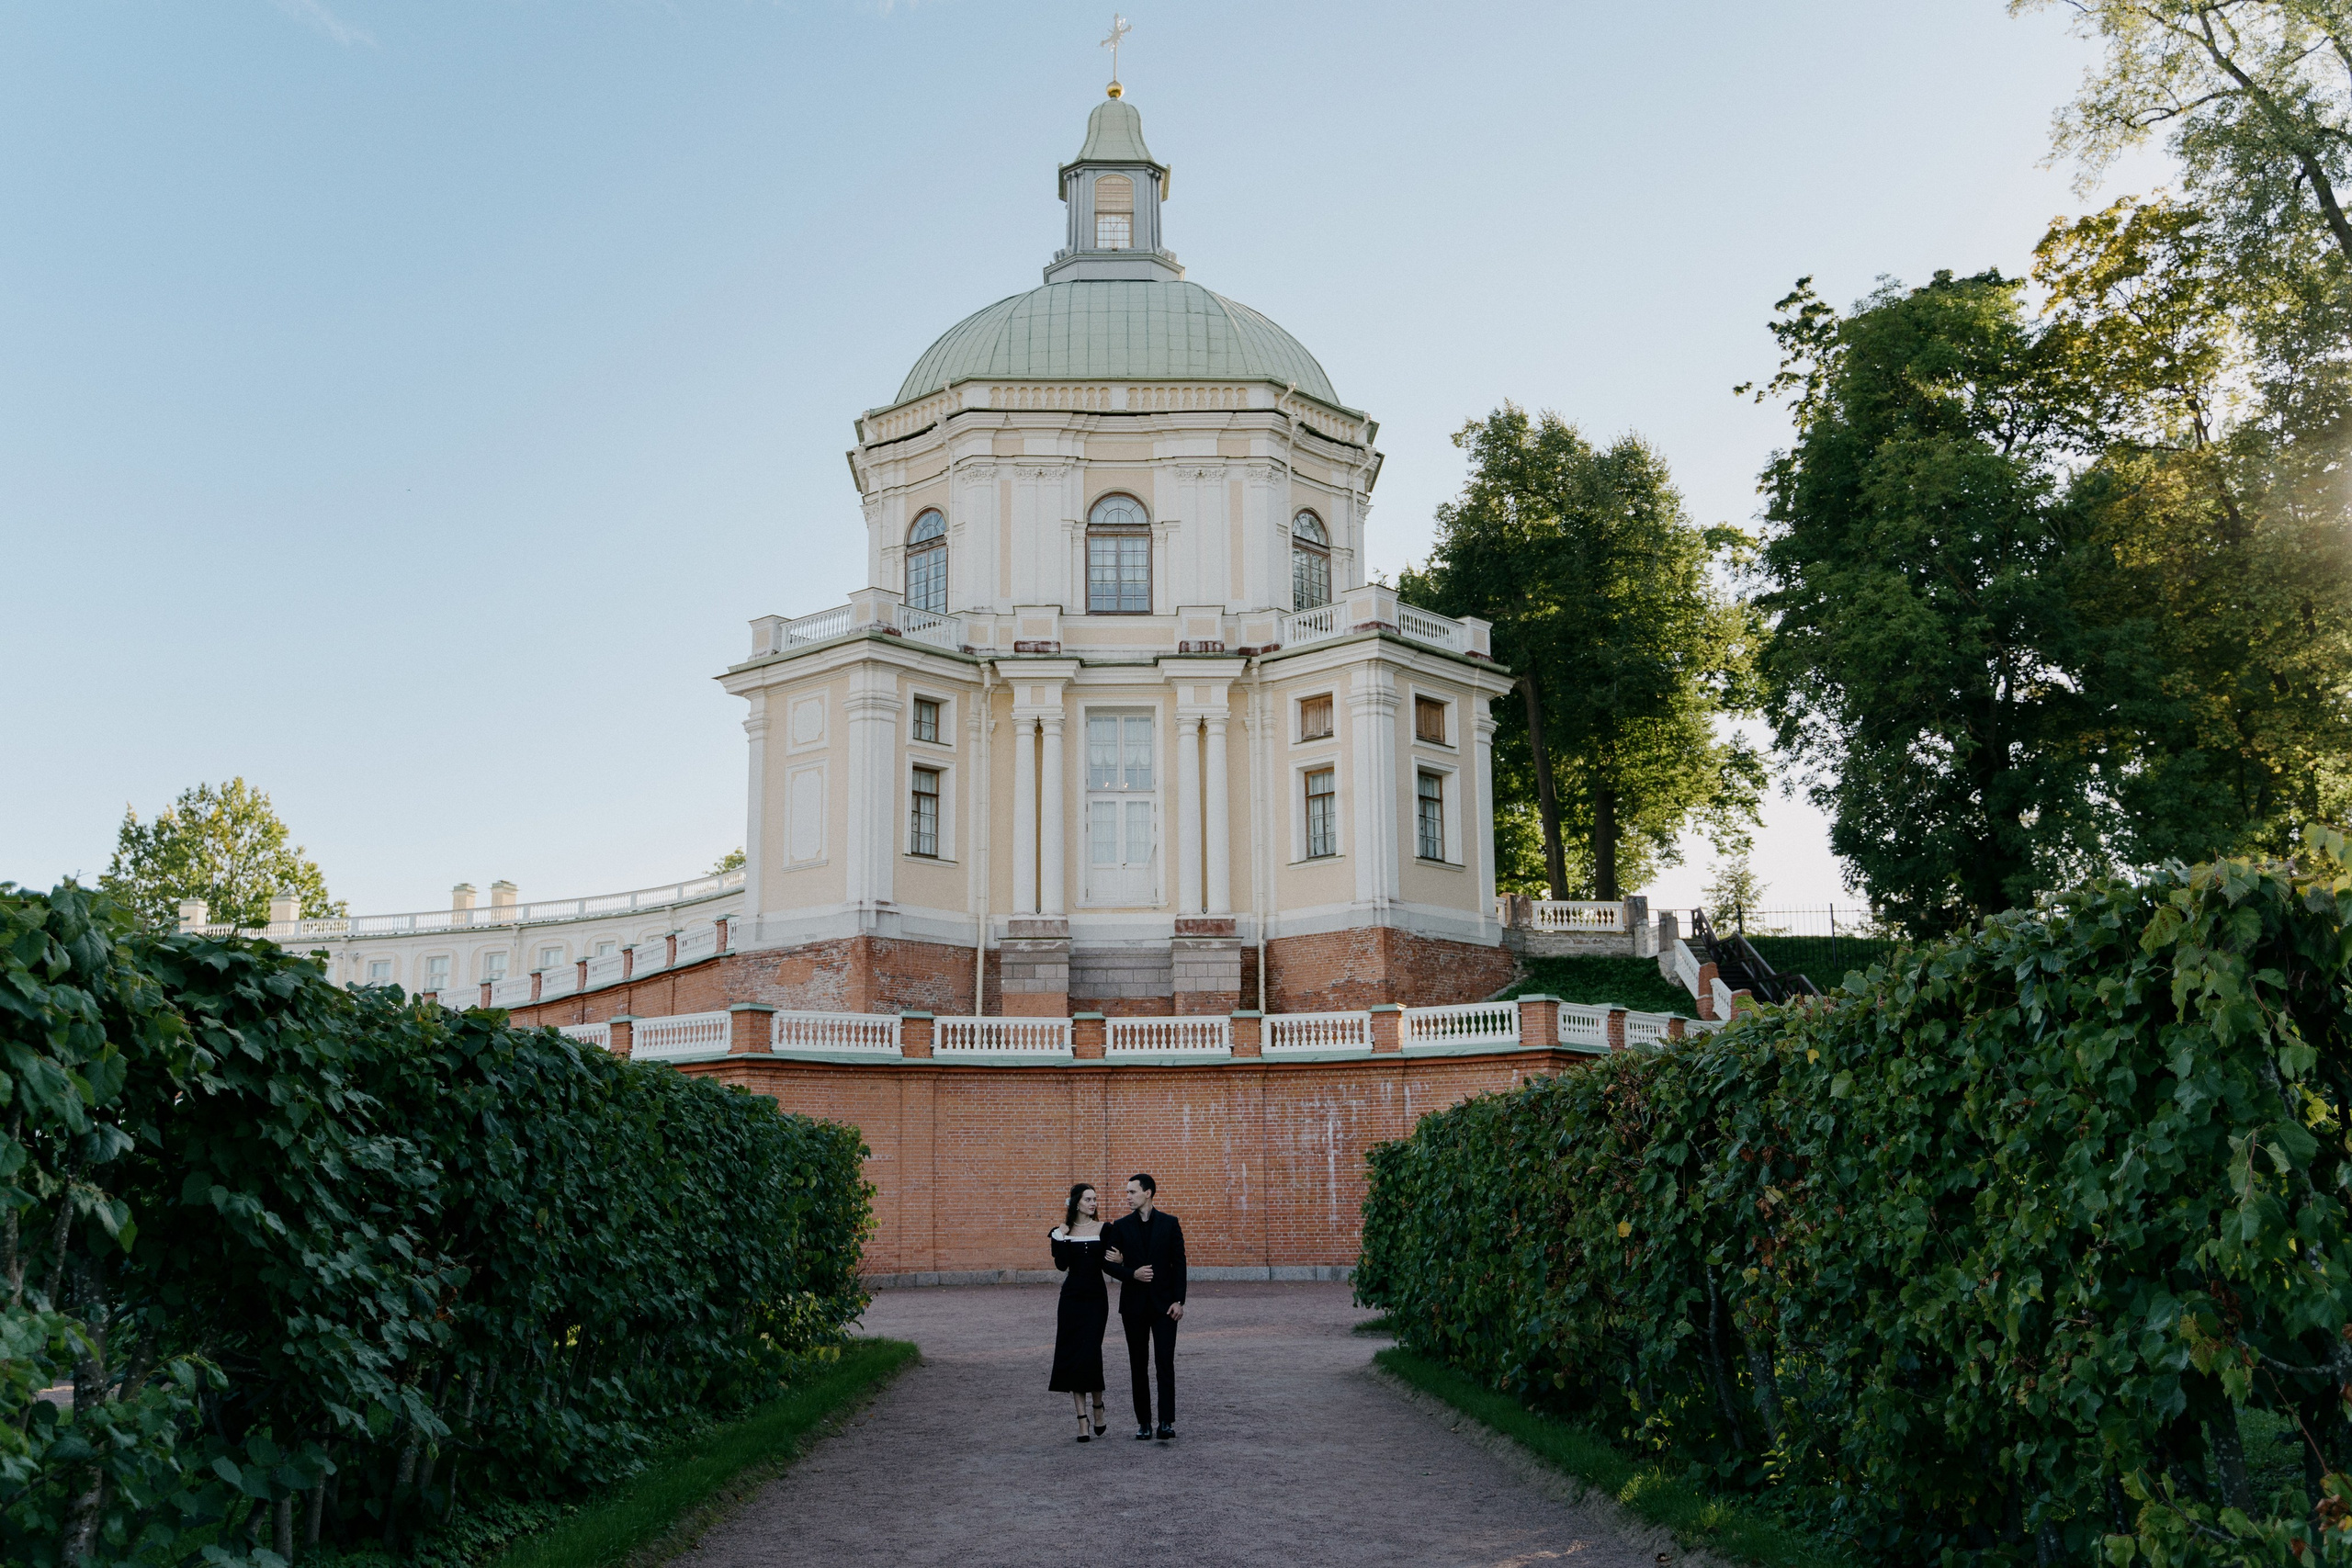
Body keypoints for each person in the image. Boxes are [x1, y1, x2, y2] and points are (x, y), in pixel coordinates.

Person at [1101, 1171, 1185, 1440]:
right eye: (1127, 1192)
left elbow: (1179, 1264)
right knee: (1138, 1364)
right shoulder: (1121, 1226)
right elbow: (1107, 1264)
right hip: (1134, 1307)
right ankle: (1144, 1423)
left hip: (1165, 1306)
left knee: (1165, 1363)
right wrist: (1131, 1272)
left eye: (1132, 1192)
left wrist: (1179, 1300)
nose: (1127, 1197)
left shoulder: (1170, 1224)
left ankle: (1166, 1422)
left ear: (1148, 1193)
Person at [1047, 1182, 1113, 1440]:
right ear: (1076, 1203)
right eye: (1088, 1199)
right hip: (1071, 1301)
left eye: (1095, 1199)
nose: (1093, 1203)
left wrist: (1120, 1261)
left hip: (1096, 1299)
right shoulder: (1060, 1232)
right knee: (1075, 1355)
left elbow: (1112, 1262)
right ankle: (1082, 1419)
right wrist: (1061, 1235)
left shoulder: (1104, 1229)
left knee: (1091, 1352)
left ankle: (1098, 1407)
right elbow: (1062, 1265)